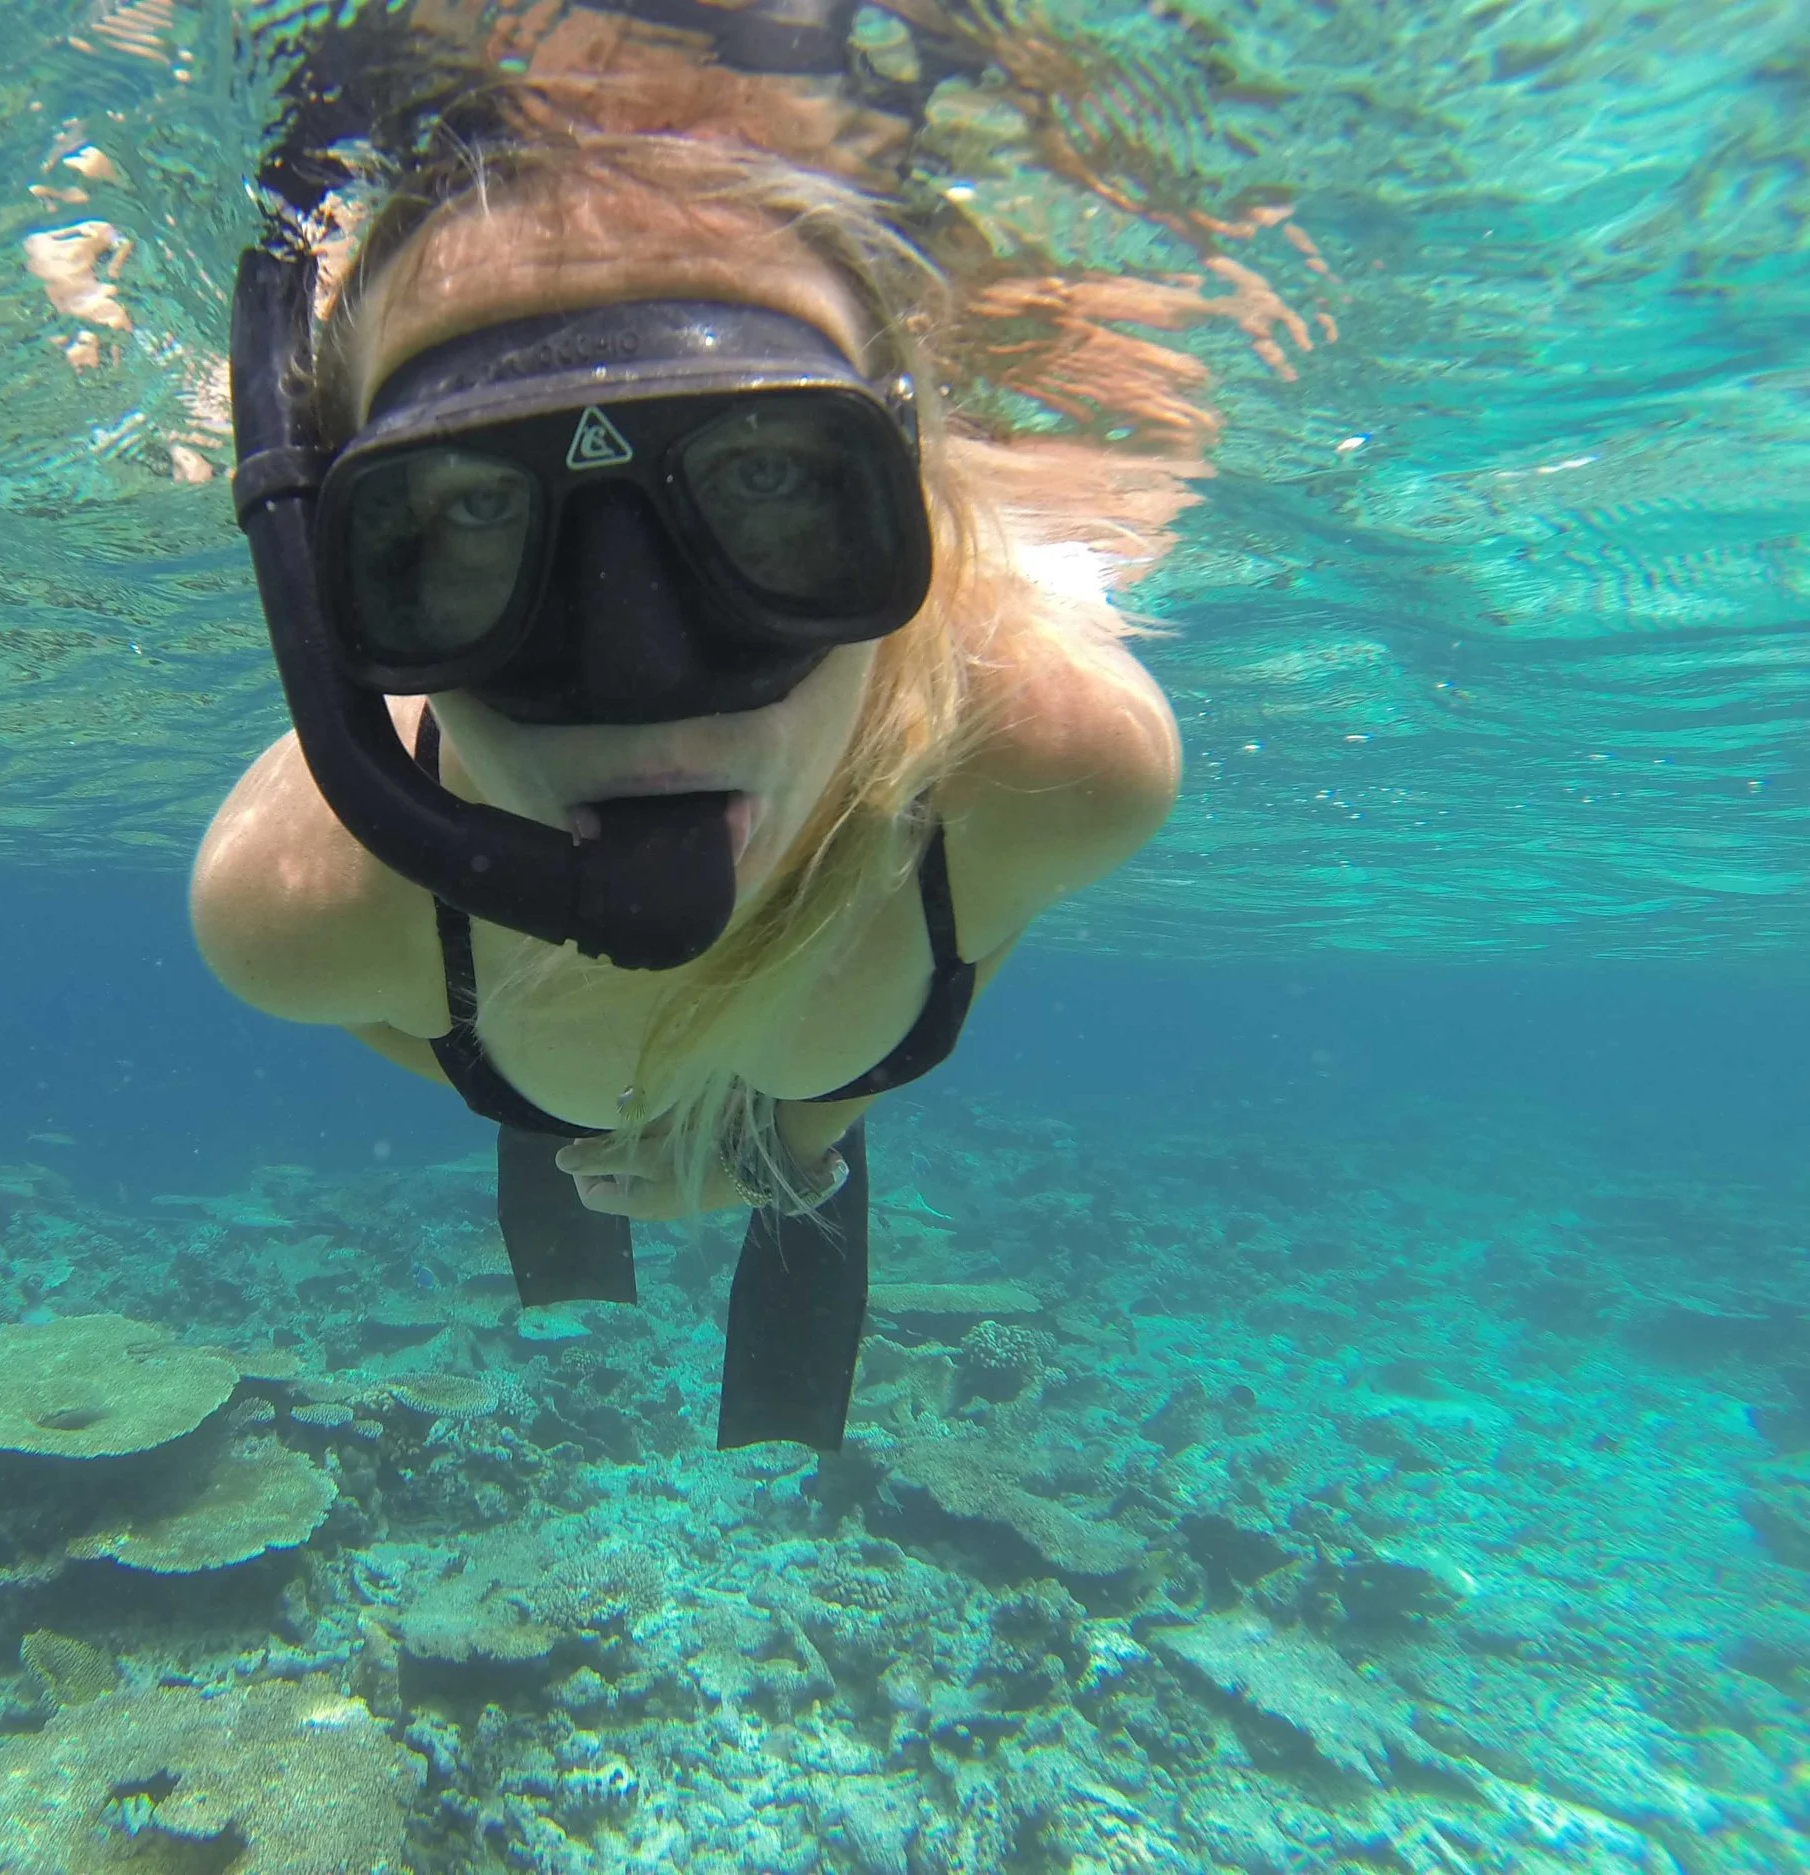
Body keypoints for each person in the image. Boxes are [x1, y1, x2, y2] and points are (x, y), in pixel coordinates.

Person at [192, 0, 1197, 1452]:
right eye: (473, 515)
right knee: (588, 1104)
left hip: (817, 1052)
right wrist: (580, 1092)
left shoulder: (1056, 757)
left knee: (794, 1108)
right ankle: (626, 1124)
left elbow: (965, 939)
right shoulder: (296, 908)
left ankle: (778, 1148)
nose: (642, 671)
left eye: (773, 484)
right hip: (535, 1039)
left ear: (908, 504)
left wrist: (772, 1125)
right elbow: (395, 1011)